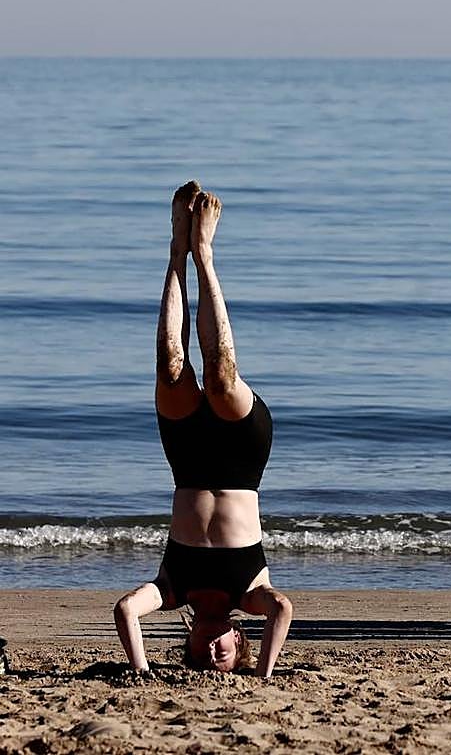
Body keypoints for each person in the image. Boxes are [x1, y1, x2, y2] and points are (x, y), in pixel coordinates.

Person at [114, 181, 293, 676]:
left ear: (188, 643)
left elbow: (126, 609)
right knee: (219, 377)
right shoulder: (252, 593)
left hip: (188, 458)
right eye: (226, 655)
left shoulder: (173, 589)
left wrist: (142, 670)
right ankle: (205, 255)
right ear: (241, 638)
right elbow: (284, 610)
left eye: (201, 656)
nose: (213, 652)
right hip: (243, 456)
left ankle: (177, 250)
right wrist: (264, 675)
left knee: (171, 367)